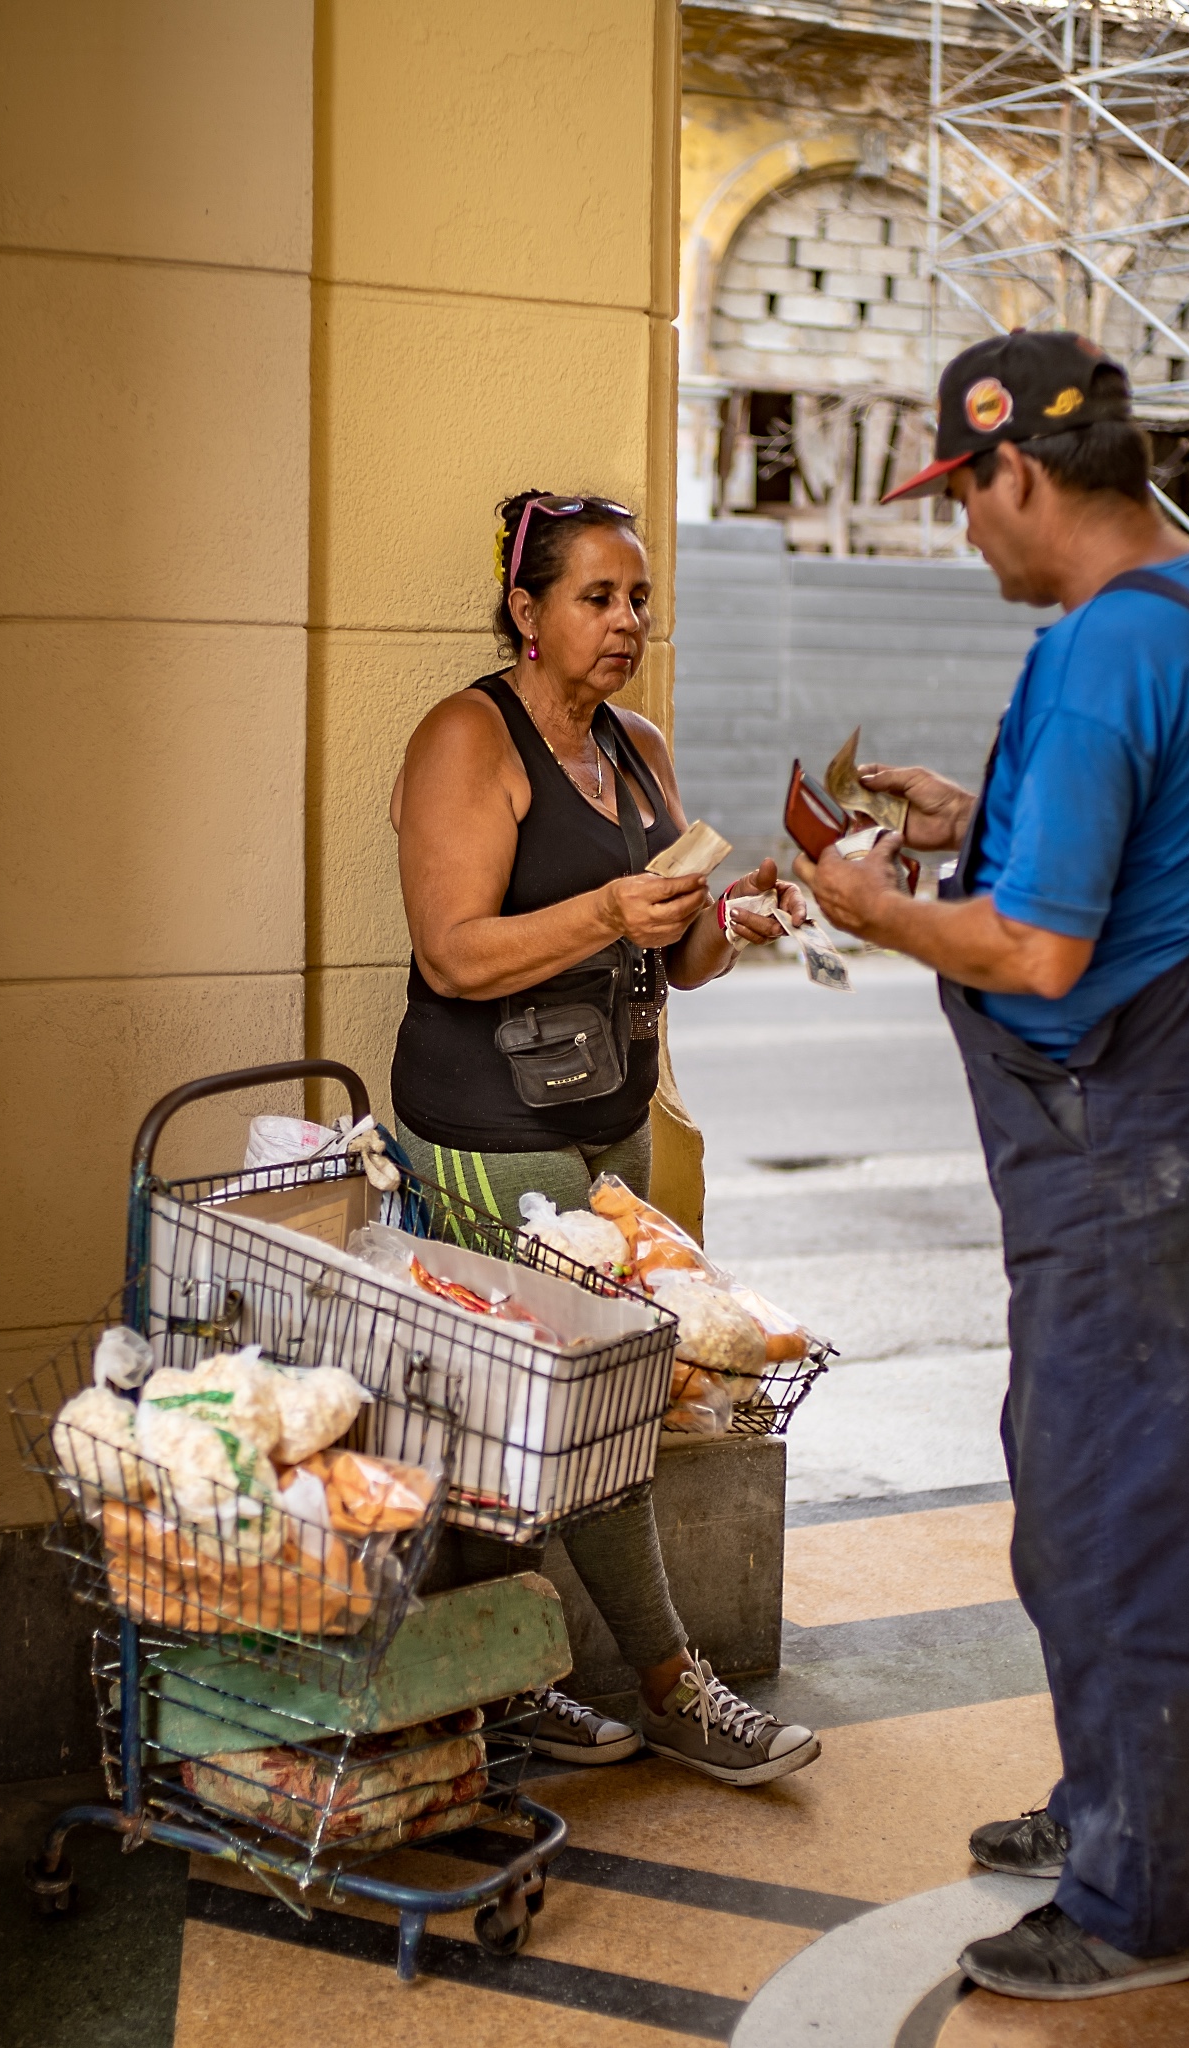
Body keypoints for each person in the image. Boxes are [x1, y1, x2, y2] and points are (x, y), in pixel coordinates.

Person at [798, 334, 1189, 2000]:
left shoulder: (1096, 658)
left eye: (962, 499)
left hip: (1129, 1144)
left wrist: (878, 908)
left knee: (1110, 1514)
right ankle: (1110, 1803)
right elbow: (1165, 836)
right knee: (1081, 1472)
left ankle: (1138, 1906)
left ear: (1018, 470)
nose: (966, 535)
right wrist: (973, 809)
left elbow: (1036, 952)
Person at [387, 487, 820, 1787]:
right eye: (598, 596)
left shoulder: (637, 744)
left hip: (609, 1123)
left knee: (562, 1405)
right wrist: (606, 913)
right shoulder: (471, 736)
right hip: (486, 1123)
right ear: (527, 612)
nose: (628, 620)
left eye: (638, 598)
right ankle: (674, 1684)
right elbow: (454, 955)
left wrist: (737, 918)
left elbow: (675, 957)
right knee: (582, 1411)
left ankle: (504, 1683)